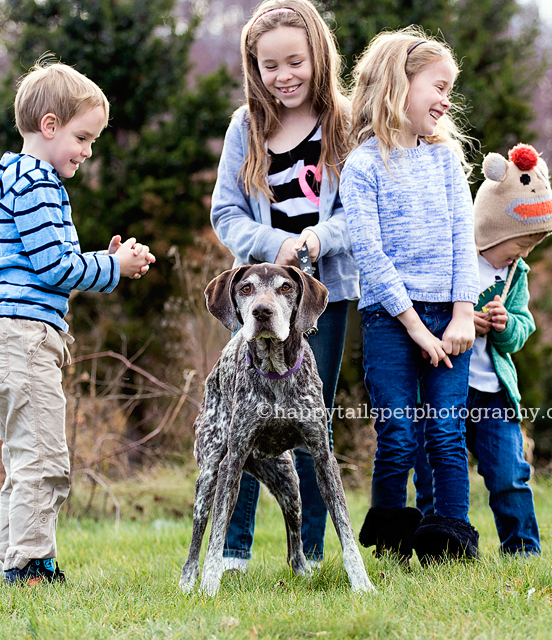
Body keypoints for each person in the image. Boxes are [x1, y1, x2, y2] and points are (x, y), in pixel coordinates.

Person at [0, 59, 156, 586]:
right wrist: (114, 268)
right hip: (23, 337)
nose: (87, 151)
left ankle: (14, 561)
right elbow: (57, 268)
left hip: (11, 335)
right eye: (83, 137)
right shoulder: (37, 183)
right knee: (45, 459)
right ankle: (31, 565)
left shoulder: (19, 181)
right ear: (49, 126)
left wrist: (104, 259)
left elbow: (48, 259)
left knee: (24, 456)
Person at [209, 0, 359, 572]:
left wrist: (317, 241)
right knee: (241, 418)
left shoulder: (345, 124)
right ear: (255, 68)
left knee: (312, 420)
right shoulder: (245, 128)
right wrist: (275, 246)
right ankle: (232, 550)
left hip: (325, 297)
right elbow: (226, 212)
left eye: (294, 61)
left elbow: (360, 212)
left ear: (318, 57)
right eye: (269, 66)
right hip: (263, 301)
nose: (283, 76)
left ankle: (313, 554)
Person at [340, 27, 480, 565]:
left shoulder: (445, 162)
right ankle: (393, 547)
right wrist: (415, 328)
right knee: (398, 434)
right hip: (390, 322)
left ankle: (450, 540)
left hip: (450, 317)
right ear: (399, 83)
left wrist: (462, 314)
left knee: (445, 435)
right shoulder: (364, 166)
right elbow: (370, 258)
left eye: (451, 89)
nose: (446, 100)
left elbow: (462, 241)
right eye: (438, 86)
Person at [413, 143, 552, 557]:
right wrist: (464, 321)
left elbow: (522, 328)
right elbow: (425, 317)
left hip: (493, 392)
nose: (523, 254)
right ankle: (434, 549)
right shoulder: (452, 260)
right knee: (432, 474)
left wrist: (505, 326)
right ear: (494, 229)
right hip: (444, 390)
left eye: (531, 247)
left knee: (510, 474)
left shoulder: (516, 274)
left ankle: (523, 550)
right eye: (520, 244)